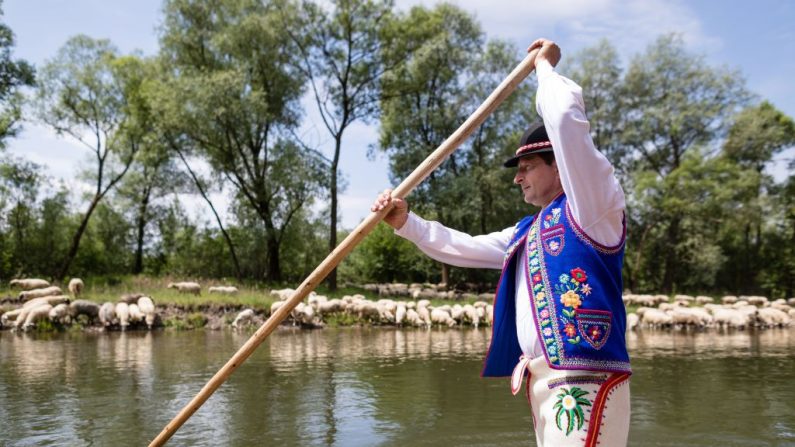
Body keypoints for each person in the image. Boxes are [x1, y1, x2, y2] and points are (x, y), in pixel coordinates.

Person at [371, 38, 631, 447]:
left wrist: (545, 67)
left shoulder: (594, 207)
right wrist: (407, 222)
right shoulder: (526, 233)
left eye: (527, 167)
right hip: (542, 382)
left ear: (559, 165)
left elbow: (563, 118)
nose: (517, 177)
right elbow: (460, 246)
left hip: (585, 378)